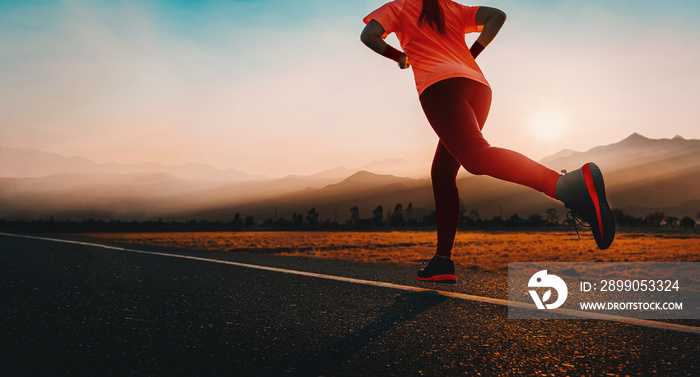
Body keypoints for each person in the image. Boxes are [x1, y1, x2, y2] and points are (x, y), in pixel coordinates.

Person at [361, 0, 615, 284]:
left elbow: (369, 36)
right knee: (443, 174)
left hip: (439, 87)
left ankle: (566, 186)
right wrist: (472, 54)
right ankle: (442, 261)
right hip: (478, 86)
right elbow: (497, 16)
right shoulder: (451, 8)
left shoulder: (397, 8)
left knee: (474, 155)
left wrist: (399, 56)